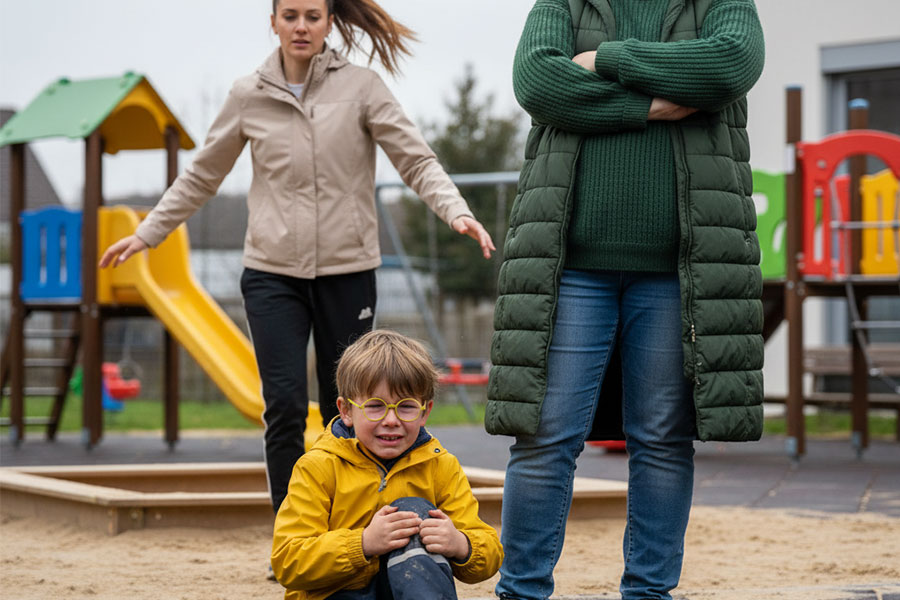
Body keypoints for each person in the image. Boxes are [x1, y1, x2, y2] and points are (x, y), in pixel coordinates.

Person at [98, 0, 495, 515]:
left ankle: (351, 524)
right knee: (283, 407)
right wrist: (149, 232)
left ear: (330, 21)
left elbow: (414, 158)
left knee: (349, 407)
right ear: (273, 22)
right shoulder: (248, 94)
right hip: (271, 272)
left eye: (312, 15)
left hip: (348, 271)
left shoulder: (362, 87)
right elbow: (203, 175)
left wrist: (455, 210)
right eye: (290, 16)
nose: (301, 26)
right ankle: (293, 533)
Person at [485, 1, 765, 599]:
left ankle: (648, 593)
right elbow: (539, 81)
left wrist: (605, 60)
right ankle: (521, 592)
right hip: (569, 264)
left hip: (678, 270)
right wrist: (651, 105)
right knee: (544, 435)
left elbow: (729, 65)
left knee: (662, 438)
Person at [271, 329, 503, 600]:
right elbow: (288, 561)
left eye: (405, 407)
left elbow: (489, 549)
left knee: (416, 511)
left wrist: (460, 544)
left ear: (424, 412)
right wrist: (363, 544)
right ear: (346, 410)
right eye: (375, 406)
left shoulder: (440, 466)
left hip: (406, 590)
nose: (391, 420)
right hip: (335, 594)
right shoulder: (318, 466)